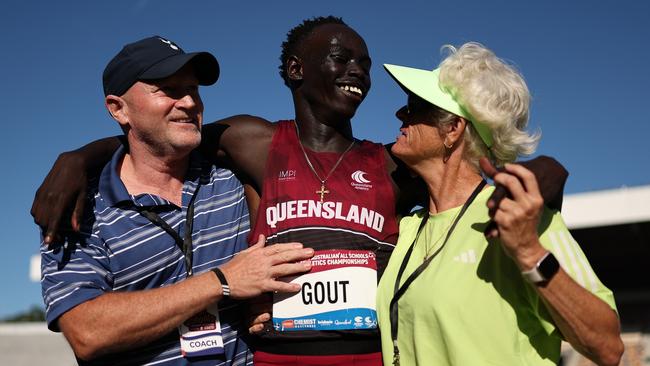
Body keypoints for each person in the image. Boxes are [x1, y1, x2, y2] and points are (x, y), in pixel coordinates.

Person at [32, 18, 567, 366]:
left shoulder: (390, 163)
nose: (357, 70)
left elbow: (480, 169)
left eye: (363, 61)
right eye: (340, 58)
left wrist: (549, 171)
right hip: (272, 359)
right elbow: (160, 142)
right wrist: (80, 158)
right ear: (295, 70)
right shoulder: (250, 142)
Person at [39, 36, 314, 366]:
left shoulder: (232, 178)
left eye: (194, 89)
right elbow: (87, 331)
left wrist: (268, 300)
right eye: (168, 90)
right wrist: (223, 282)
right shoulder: (79, 207)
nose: (189, 102)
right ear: (118, 108)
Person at [375, 42, 624, 366]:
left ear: (453, 128)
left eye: (414, 105)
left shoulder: (521, 218)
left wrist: (528, 252)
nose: (399, 113)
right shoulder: (406, 227)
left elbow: (607, 347)